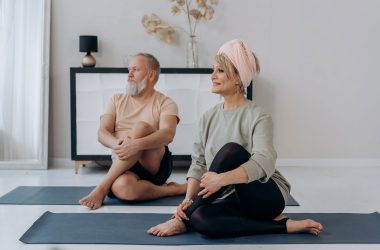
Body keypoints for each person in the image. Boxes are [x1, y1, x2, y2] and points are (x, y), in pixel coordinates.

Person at [148, 39, 323, 237]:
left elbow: (265, 160)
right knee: (201, 219)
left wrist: (221, 180)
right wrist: (188, 200)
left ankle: (180, 219)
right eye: (213, 70)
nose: (212, 76)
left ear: (239, 77)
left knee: (230, 151)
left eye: (220, 71)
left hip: (266, 197)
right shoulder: (208, 117)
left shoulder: (258, 115)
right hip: (233, 199)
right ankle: (285, 226)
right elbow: (199, 163)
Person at [79, 53, 186, 210]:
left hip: (154, 164)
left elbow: (167, 134)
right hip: (123, 163)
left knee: (141, 127)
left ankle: (102, 187)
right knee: (123, 189)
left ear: (151, 74)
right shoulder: (116, 100)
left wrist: (136, 144)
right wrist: (119, 144)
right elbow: (102, 133)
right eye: (129, 69)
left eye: (135, 69)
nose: (129, 74)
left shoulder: (166, 103)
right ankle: (171, 189)